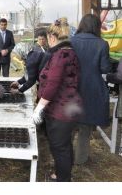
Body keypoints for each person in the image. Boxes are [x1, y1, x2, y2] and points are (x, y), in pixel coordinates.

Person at [32, 18, 82, 182]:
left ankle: (61, 179)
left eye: (47, 39)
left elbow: (52, 84)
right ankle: (64, 174)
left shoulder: (60, 55)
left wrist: (39, 107)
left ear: (52, 37)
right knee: (65, 145)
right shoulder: (70, 51)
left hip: (60, 110)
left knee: (59, 146)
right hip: (70, 107)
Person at [70, 14, 112, 165]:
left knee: (69, 125)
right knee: (84, 128)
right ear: (96, 26)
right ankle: (80, 159)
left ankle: (65, 157)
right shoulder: (102, 44)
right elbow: (105, 68)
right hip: (92, 89)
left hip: (72, 88)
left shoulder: (71, 41)